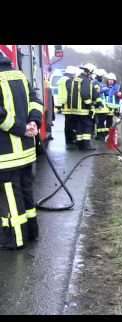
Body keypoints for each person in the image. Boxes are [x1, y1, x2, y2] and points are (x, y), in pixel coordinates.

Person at [0, 53, 43, 250]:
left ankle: (15, 240)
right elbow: (35, 102)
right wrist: (34, 122)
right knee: (26, 193)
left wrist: (20, 128)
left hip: (6, 155)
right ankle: (32, 232)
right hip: (26, 151)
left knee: (10, 198)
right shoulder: (19, 75)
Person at [66, 63, 99, 151]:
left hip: (75, 109)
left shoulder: (75, 79)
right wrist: (90, 105)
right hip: (83, 109)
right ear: (89, 72)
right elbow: (85, 94)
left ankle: (80, 144)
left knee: (79, 125)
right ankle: (86, 145)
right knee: (88, 125)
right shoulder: (86, 80)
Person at [57, 66, 78, 149]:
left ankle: (68, 139)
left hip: (64, 104)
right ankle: (71, 139)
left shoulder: (62, 80)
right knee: (71, 124)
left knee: (67, 123)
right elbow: (71, 92)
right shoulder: (68, 81)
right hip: (69, 105)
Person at [92, 68, 110, 140]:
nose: (103, 78)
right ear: (99, 76)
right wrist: (105, 89)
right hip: (99, 106)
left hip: (102, 106)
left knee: (101, 122)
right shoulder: (95, 82)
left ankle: (100, 135)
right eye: (102, 76)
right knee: (100, 122)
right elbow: (97, 91)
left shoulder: (100, 83)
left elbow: (106, 94)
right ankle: (100, 136)